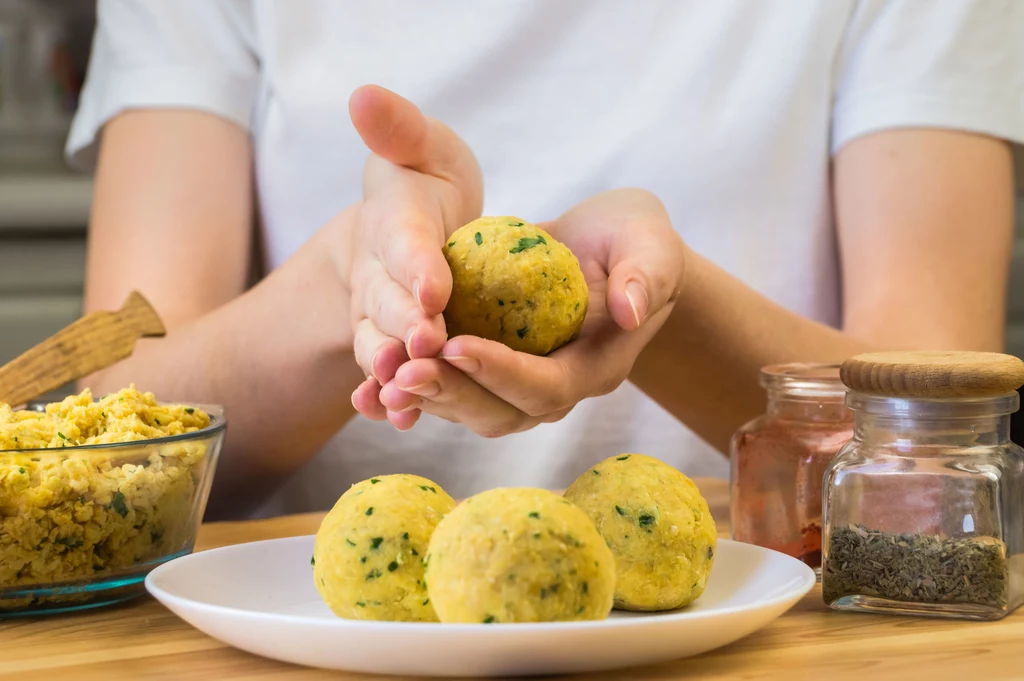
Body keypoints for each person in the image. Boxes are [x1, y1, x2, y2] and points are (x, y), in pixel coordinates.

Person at [68, 0, 1024, 518]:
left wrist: (652, 307)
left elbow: (936, 449)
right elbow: (111, 411)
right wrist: (347, 285)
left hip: (771, 637)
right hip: (307, 638)